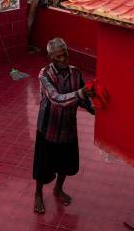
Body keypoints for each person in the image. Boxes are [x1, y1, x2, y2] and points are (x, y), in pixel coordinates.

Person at [33, 37, 95, 214]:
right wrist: (81, 93)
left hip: (68, 128)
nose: (64, 59)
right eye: (59, 56)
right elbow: (56, 99)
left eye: (65, 54)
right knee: (42, 168)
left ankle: (58, 189)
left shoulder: (76, 73)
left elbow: (84, 99)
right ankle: (38, 193)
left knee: (66, 164)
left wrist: (94, 109)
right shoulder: (44, 75)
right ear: (51, 57)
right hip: (48, 129)